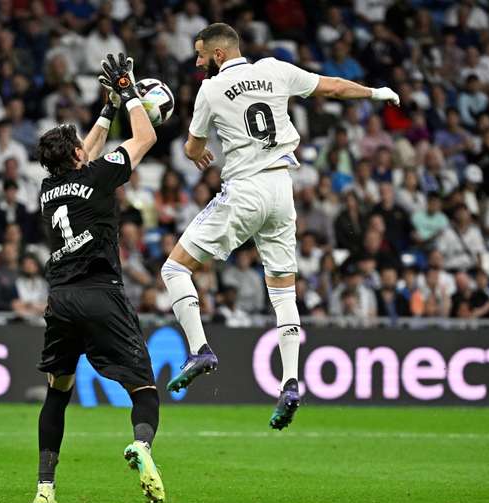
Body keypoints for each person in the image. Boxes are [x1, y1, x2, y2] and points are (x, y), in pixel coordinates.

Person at [159, 23, 399, 430]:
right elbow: (334, 88)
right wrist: (376, 93)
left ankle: (200, 348)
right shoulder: (275, 69)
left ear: (218, 54)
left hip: (244, 190)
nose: (198, 62)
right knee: (284, 294)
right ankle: (290, 381)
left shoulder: (210, 90)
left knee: (175, 269)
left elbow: (193, 147)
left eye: (201, 55)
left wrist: (195, 151)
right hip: (282, 190)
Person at [31, 53, 163, 503]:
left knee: (58, 391)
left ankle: (45, 488)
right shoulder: (100, 174)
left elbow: (83, 154)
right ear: (76, 156)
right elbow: (145, 135)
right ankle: (141, 446)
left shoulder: (48, 190)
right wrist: (127, 93)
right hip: (102, 294)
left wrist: (106, 109)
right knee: (144, 389)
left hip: (61, 300)